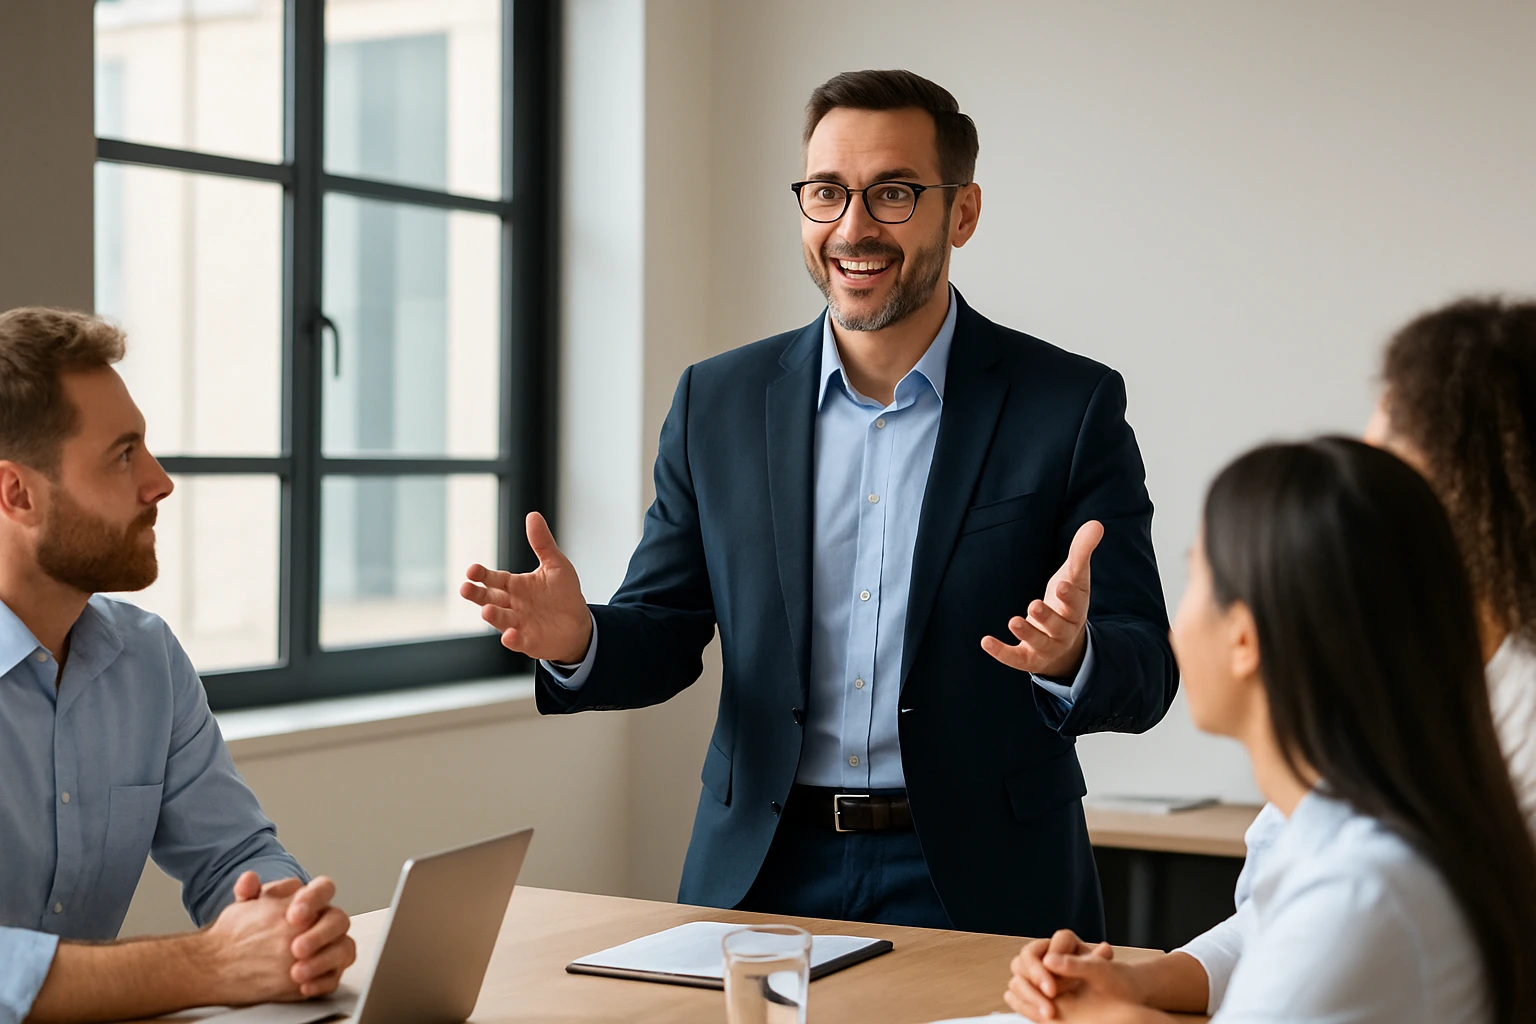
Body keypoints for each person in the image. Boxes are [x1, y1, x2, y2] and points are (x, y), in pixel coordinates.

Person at [460, 69, 1178, 937]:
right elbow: (666, 629)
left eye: (894, 194)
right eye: (827, 193)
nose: (854, 228)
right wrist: (579, 639)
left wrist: (1073, 656)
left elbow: (1148, 669)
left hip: (988, 879)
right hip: (762, 865)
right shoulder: (716, 402)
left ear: (963, 212)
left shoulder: (1067, 406)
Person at [1008, 297, 1536, 1019]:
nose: (1348, 492)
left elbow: (1338, 931)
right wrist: (1139, 985)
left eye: (1381, 466)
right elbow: (1280, 922)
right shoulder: (1388, 694)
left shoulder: (1377, 881)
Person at [0, 308, 356, 1024]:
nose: (160, 482)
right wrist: (216, 962)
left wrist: (287, 928)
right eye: (124, 454)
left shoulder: (146, 659)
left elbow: (235, 856)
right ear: (18, 495)